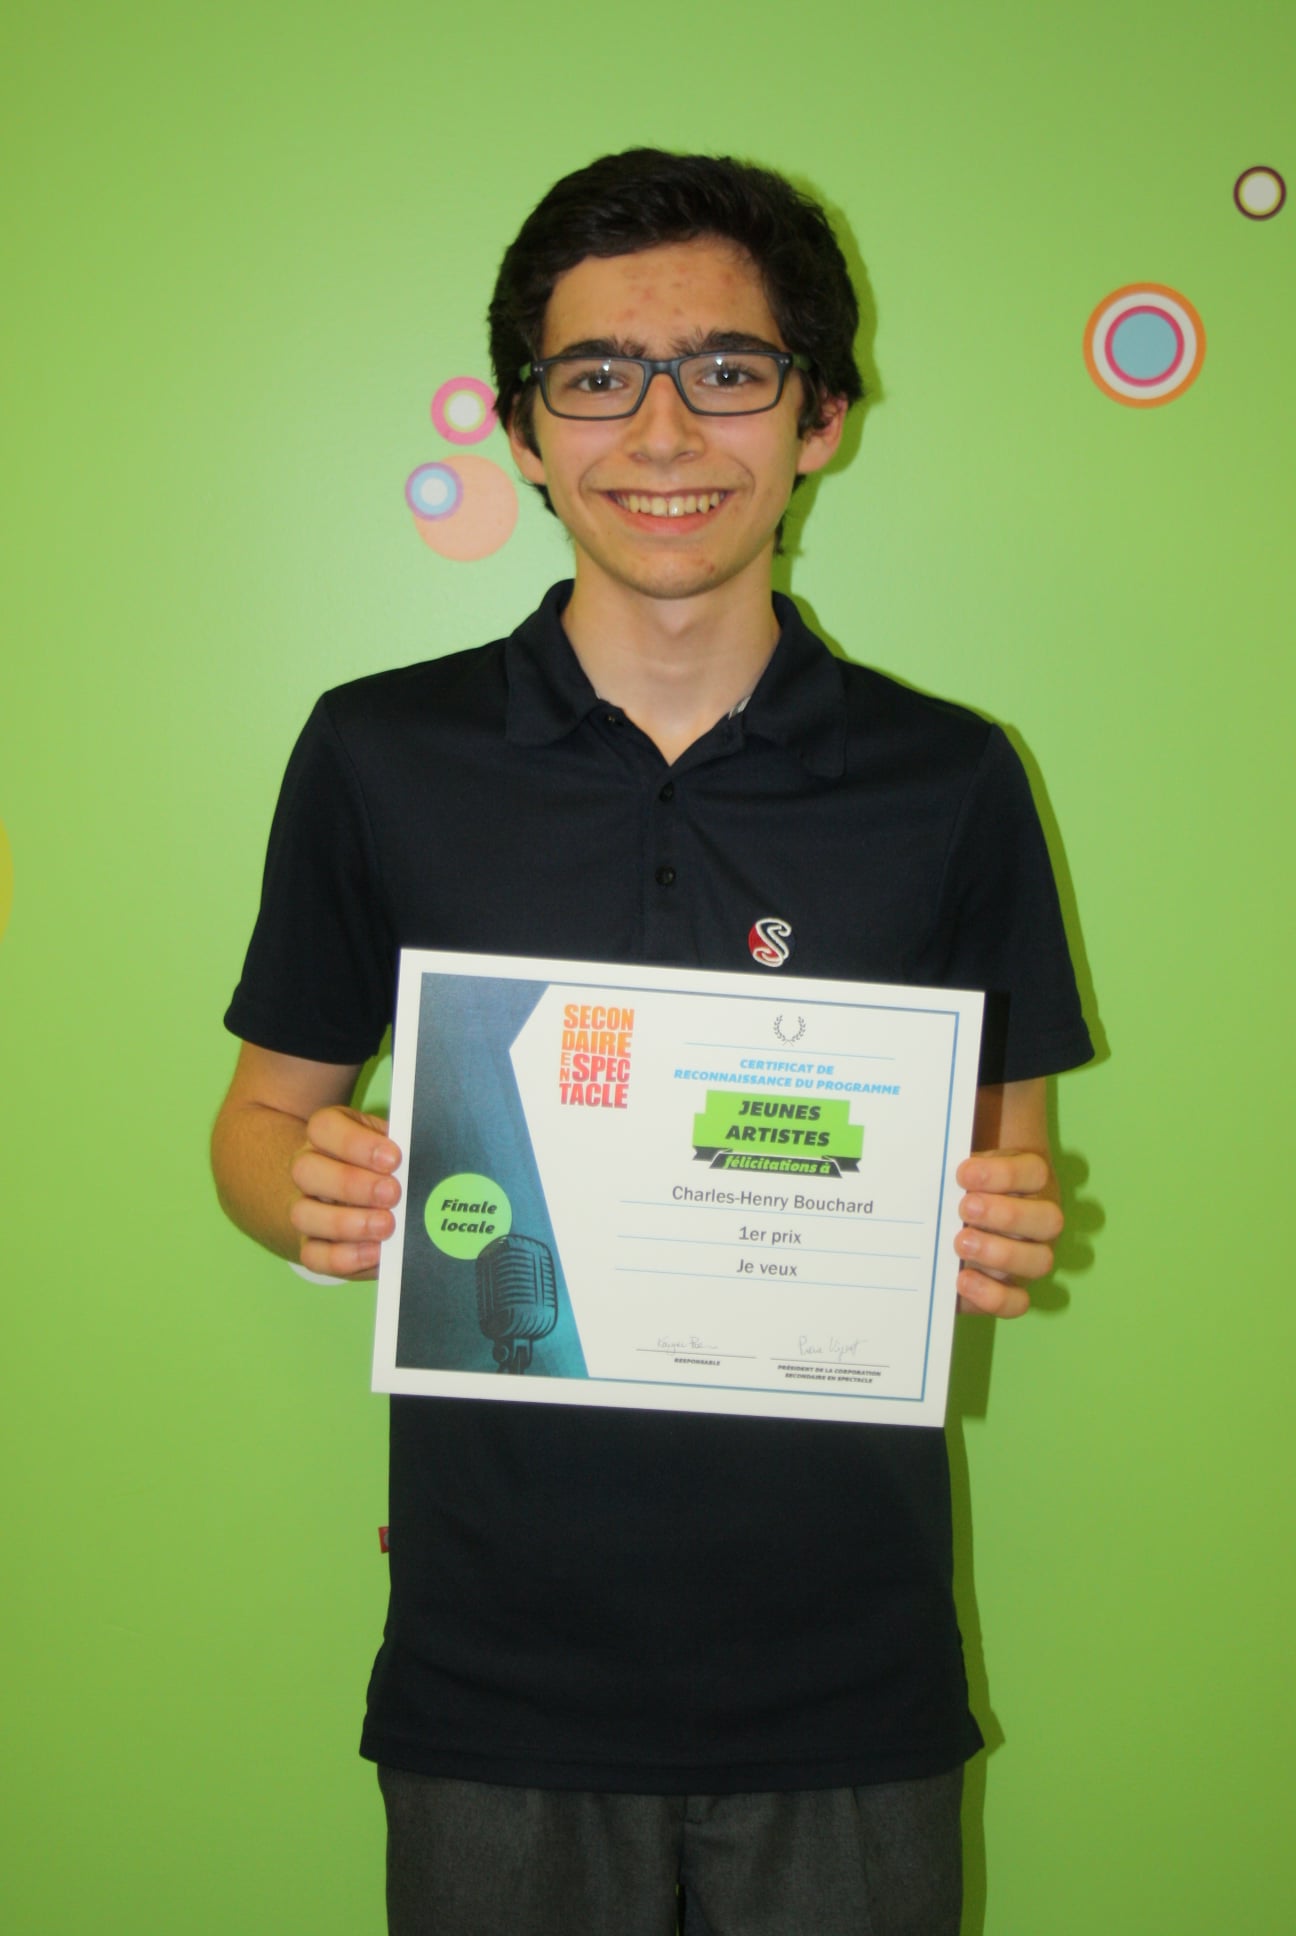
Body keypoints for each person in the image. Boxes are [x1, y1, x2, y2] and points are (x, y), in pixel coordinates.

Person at [211, 149, 1092, 1936]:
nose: (664, 429)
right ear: (527, 431)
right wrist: (304, 1192)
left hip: (850, 1680)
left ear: (819, 416)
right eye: (600, 375)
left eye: (728, 370)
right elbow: (252, 1124)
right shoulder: (378, 754)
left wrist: (1003, 1223)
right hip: (493, 1675)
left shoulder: (951, 781)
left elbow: (1001, 1169)